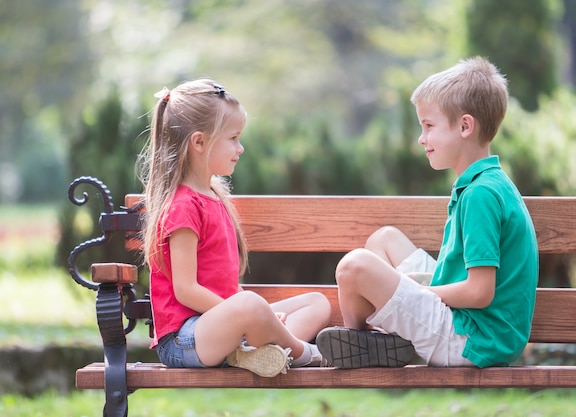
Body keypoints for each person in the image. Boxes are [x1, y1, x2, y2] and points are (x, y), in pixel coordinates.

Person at [316, 56, 539, 369]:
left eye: (429, 126)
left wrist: (419, 291)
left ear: (465, 126)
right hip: (470, 325)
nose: (421, 138)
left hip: (472, 339)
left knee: (353, 267)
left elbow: (479, 292)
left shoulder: (481, 195)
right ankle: (374, 342)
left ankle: (362, 340)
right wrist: (412, 289)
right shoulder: (485, 182)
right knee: (385, 240)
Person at [139, 79, 331, 377]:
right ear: (199, 142)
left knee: (316, 303)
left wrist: (255, 316)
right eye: (233, 138)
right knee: (251, 305)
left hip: (221, 328)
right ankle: (305, 353)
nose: (240, 148)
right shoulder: (182, 207)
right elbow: (186, 290)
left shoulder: (215, 198)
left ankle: (254, 352)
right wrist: (248, 314)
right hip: (184, 339)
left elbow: (226, 287)